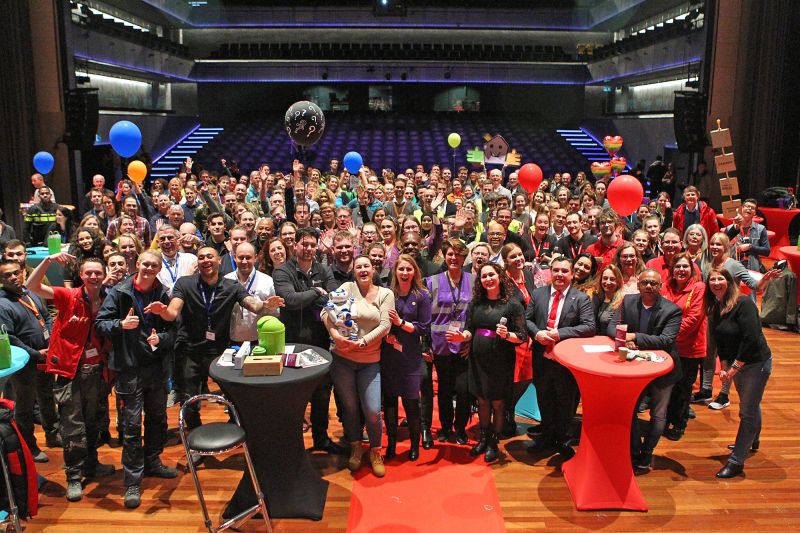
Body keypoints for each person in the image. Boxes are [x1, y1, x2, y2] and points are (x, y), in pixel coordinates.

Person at [142, 246, 283, 434]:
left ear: (219, 261)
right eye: (201, 257)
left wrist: (265, 305)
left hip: (220, 350)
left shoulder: (231, 286)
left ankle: (235, 428)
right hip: (189, 349)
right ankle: (194, 435)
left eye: (210, 256)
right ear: (197, 263)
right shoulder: (185, 283)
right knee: (188, 398)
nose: (206, 260)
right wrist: (163, 311)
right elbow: (172, 312)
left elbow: (253, 306)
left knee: (233, 392)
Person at [26, 252, 116, 502]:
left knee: (96, 420)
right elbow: (31, 286)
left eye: (98, 272)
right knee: (72, 425)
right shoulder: (69, 296)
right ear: (81, 276)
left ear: (103, 274)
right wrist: (48, 261)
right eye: (89, 273)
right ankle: (74, 476)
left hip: (98, 372)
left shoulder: (110, 298)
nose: (94, 276)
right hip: (71, 371)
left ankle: (92, 464)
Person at [95, 250, 178, 509]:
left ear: (158, 267)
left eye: (155, 264)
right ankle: (132, 480)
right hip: (129, 369)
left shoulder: (163, 293)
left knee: (158, 419)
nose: (149, 268)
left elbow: (173, 329)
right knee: (131, 427)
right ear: (137, 264)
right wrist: (121, 325)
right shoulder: (119, 292)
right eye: (146, 264)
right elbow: (100, 323)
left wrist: (161, 339)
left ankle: (153, 461)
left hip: (155, 368)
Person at [322, 255, 394, 477]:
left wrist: (363, 342)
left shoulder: (385, 294)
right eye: (358, 267)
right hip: (342, 360)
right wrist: (335, 334)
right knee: (350, 408)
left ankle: (375, 450)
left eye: (367, 266)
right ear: (353, 270)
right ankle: (355, 447)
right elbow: (326, 312)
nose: (363, 270)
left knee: (372, 411)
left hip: (370, 361)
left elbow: (385, 324)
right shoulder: (346, 288)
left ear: (374, 269)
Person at [273, 227, 343, 454]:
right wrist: (316, 292)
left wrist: (316, 295)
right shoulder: (282, 271)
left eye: (313, 245)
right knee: (294, 397)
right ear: (295, 245)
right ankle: (291, 445)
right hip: (292, 342)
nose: (309, 249)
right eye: (304, 244)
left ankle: (321, 439)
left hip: (321, 341)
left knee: (322, 394)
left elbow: (333, 298)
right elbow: (290, 300)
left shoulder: (325, 269)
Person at [448, 263, 527, 462]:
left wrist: (507, 334)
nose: (488, 279)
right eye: (484, 276)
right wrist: (461, 337)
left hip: (501, 360)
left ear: (499, 276)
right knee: (482, 400)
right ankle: (483, 438)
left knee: (498, 403)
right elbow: (469, 329)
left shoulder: (513, 304)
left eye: (491, 274)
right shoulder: (476, 303)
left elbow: (522, 336)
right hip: (478, 360)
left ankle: (493, 441)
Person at [695, 233, 780, 407]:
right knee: (710, 352)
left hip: (731, 315)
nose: (715, 247)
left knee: (727, 351)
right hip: (712, 313)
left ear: (726, 247)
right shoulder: (707, 263)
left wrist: (764, 279)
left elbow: (754, 286)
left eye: (719, 244)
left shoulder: (734, 264)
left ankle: (724, 394)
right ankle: (706, 390)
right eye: (712, 244)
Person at [608, 269, 681, 471]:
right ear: (638, 284)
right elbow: (612, 326)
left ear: (660, 286)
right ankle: (634, 449)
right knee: (630, 409)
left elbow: (666, 340)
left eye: (653, 283)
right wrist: (624, 339)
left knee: (658, 415)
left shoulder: (672, 310)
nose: (649, 286)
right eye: (645, 282)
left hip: (663, 371)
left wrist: (634, 337)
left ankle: (647, 453)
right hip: (636, 368)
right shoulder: (628, 301)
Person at [705, 267, 772, 478]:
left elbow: (751, 339)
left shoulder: (744, 303)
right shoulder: (716, 308)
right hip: (737, 364)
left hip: (755, 363)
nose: (716, 283)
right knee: (750, 404)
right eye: (712, 280)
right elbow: (721, 341)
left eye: (720, 279)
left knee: (747, 411)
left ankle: (736, 461)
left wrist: (733, 368)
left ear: (730, 281)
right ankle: (753, 439)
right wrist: (724, 366)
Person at [525, 256, 595, 458]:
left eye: (565, 271)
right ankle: (546, 437)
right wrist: (537, 333)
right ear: (551, 272)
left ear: (572, 274)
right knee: (544, 399)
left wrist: (560, 334)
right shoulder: (538, 294)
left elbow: (589, 327)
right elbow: (527, 320)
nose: (560, 275)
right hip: (542, 359)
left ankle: (562, 441)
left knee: (565, 402)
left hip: (565, 363)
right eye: (556, 270)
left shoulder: (581, 298)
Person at [0, 259, 60, 462]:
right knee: (24, 407)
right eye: (7, 275)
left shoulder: (29, 292)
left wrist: (51, 341)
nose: (13, 277)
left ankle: (53, 435)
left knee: (47, 398)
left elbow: (47, 317)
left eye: (16, 272)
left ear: (23, 272)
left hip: (45, 356)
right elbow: (10, 337)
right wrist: (35, 353)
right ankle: (30, 447)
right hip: (25, 363)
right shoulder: (2, 303)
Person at [381, 255, 431, 461]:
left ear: (414, 272)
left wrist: (400, 323)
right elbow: (380, 320)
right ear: (395, 272)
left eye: (408, 269)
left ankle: (414, 446)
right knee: (390, 402)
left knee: (411, 403)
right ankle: (391, 444)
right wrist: (386, 334)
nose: (404, 273)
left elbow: (424, 327)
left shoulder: (421, 295)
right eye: (401, 269)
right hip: (389, 355)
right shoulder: (387, 294)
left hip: (410, 356)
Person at [426, 239, 473, 446]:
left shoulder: (475, 280)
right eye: (450, 254)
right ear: (445, 256)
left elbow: (477, 314)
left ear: (464, 258)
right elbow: (425, 315)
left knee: (463, 390)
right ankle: (445, 427)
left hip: (464, 345)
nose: (454, 258)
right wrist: (425, 343)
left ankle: (460, 428)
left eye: (458, 254)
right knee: (444, 389)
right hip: (440, 344)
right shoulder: (431, 281)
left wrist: (471, 340)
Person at [661, 253, 707, 442]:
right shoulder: (665, 287)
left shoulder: (699, 288)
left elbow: (693, 319)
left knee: (682, 387)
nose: (681, 270)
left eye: (685, 267)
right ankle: (663, 419)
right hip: (666, 346)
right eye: (677, 267)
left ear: (692, 270)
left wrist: (666, 336)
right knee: (666, 386)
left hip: (689, 347)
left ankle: (678, 423)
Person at [502, 243, 536, 438]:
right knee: (512, 379)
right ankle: (507, 414)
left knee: (527, 377)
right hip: (513, 337)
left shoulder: (529, 276)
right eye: (513, 257)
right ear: (506, 261)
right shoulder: (503, 280)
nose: (518, 259)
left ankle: (510, 408)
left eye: (520, 255)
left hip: (530, 336)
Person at [225, 242, 278, 344]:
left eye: (248, 257)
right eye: (241, 257)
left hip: (260, 340)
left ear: (255, 258)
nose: (244, 261)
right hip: (231, 341)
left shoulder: (267, 281)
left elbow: (274, 314)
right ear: (234, 257)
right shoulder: (226, 280)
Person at [724, 198, 770, 274]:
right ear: (741, 208)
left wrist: (750, 247)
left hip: (753, 268)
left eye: (752, 208)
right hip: (733, 268)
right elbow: (723, 246)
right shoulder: (730, 228)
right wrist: (734, 229)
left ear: (754, 213)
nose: (749, 209)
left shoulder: (761, 229)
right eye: (747, 206)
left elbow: (766, 251)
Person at [592, 264, 624, 335]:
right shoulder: (597, 298)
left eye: (612, 279)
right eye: (605, 278)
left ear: (618, 282)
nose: (608, 282)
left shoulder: (622, 302)